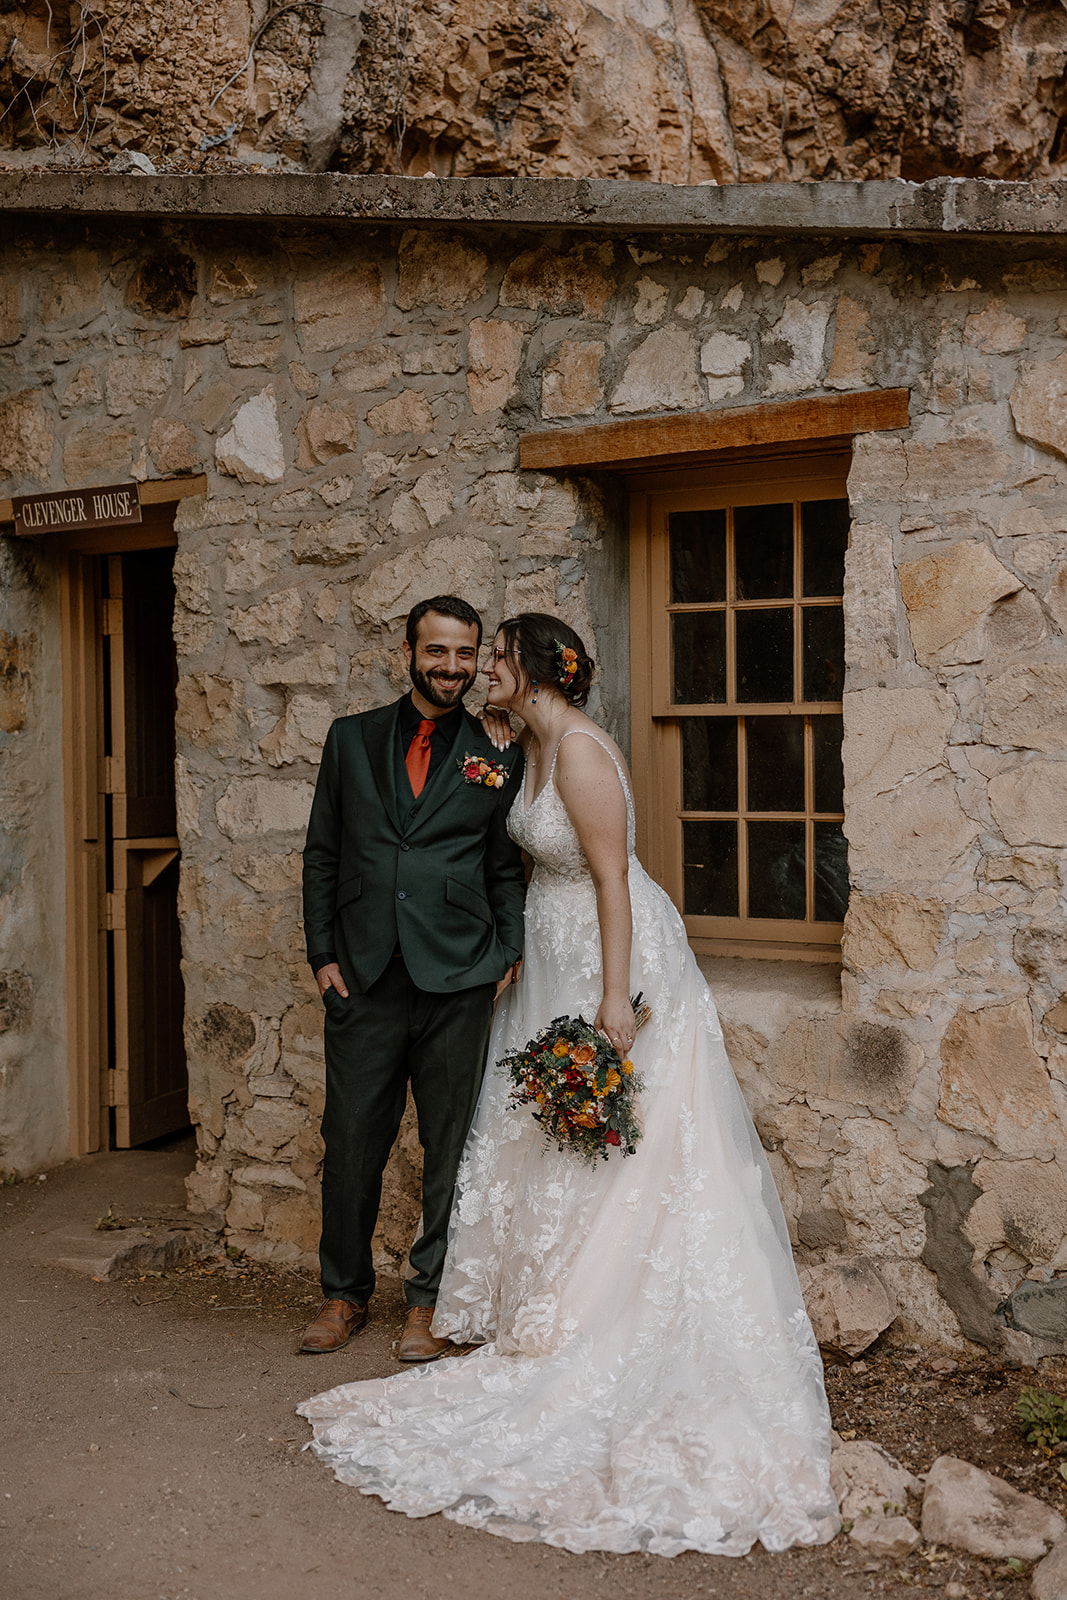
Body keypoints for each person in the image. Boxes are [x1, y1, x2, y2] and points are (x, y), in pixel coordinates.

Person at [299, 613, 839, 1555]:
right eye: (465, 657)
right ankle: (535, 1304)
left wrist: (616, 999)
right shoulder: (516, 748)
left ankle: (599, 1315)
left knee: (626, 1147)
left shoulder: (578, 754)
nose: (477, 674)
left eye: (494, 659)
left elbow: (611, 880)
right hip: (541, 959)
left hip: (602, 955)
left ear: (531, 670)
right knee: (540, 1140)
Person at [299, 595, 526, 1362]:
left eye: (465, 655)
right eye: (438, 653)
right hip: (361, 976)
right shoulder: (351, 740)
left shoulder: (495, 750)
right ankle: (342, 1294)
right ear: (408, 650)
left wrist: (508, 953)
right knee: (352, 1139)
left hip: (457, 975)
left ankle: (426, 1301)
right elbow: (323, 853)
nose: (452, 669)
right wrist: (322, 955)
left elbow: (504, 865)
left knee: (448, 1145)